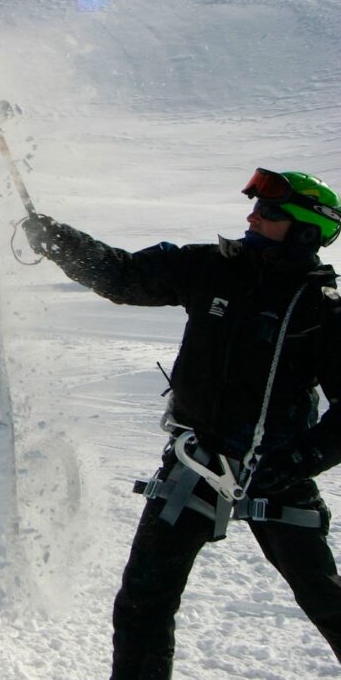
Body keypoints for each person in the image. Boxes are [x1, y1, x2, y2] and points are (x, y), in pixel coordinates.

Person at [22, 168, 341, 678]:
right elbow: (123, 275)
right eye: (255, 208)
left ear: (306, 230)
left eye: (269, 213)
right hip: (194, 466)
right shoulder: (212, 267)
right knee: (142, 602)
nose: (251, 217)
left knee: (325, 599)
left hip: (276, 475)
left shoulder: (324, 313)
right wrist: (61, 241)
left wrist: (301, 460)